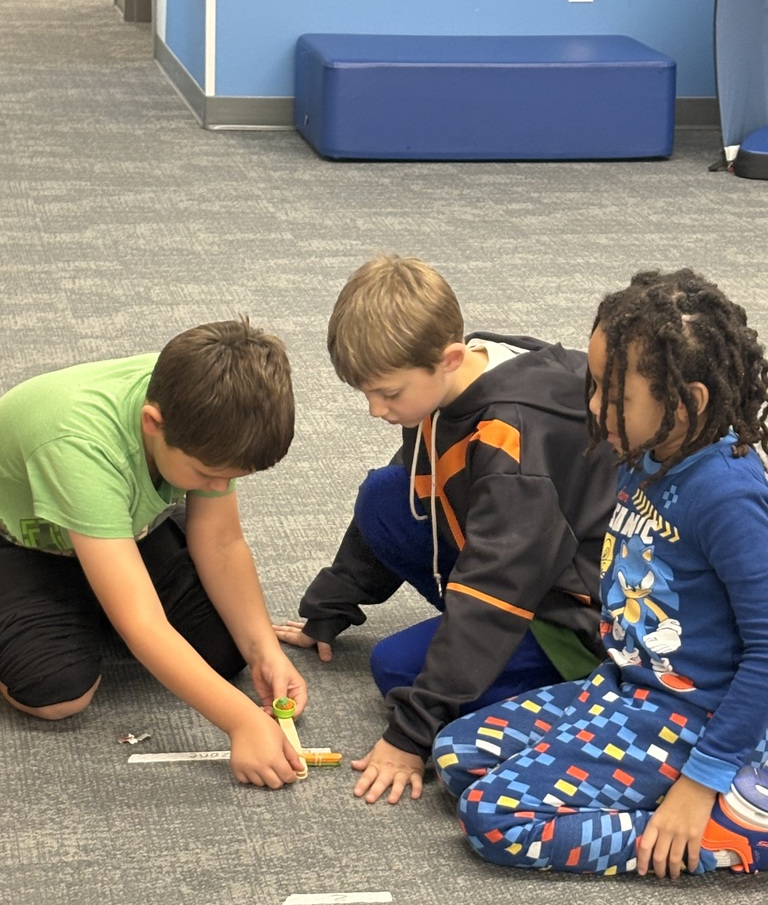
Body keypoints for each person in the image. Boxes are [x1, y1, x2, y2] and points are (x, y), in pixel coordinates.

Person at [433, 268, 768, 878]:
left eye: (615, 397)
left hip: (695, 719)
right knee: (456, 754)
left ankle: (729, 825)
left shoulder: (727, 494)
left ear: (688, 402)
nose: (593, 408)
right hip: (626, 687)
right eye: (593, 385)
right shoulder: (643, 454)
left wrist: (701, 782)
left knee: (493, 816)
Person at [275, 255, 617, 804]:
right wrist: (329, 609)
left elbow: (496, 589)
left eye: (388, 394)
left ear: (449, 358)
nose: (374, 410)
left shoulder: (513, 444)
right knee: (386, 495)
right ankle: (472, 662)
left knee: (397, 669)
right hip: (526, 549)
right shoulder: (456, 379)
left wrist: (411, 734)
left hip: (579, 609)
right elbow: (418, 483)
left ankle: (591, 690)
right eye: (365, 394)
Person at [0, 317, 307, 789]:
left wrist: (265, 650)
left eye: (232, 478)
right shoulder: (78, 445)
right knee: (55, 692)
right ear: (152, 424)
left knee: (225, 652)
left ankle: (100, 599)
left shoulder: (210, 408)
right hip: (26, 544)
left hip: (128, 527)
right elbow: (141, 621)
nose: (220, 489)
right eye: (208, 474)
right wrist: (243, 723)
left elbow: (222, 540)